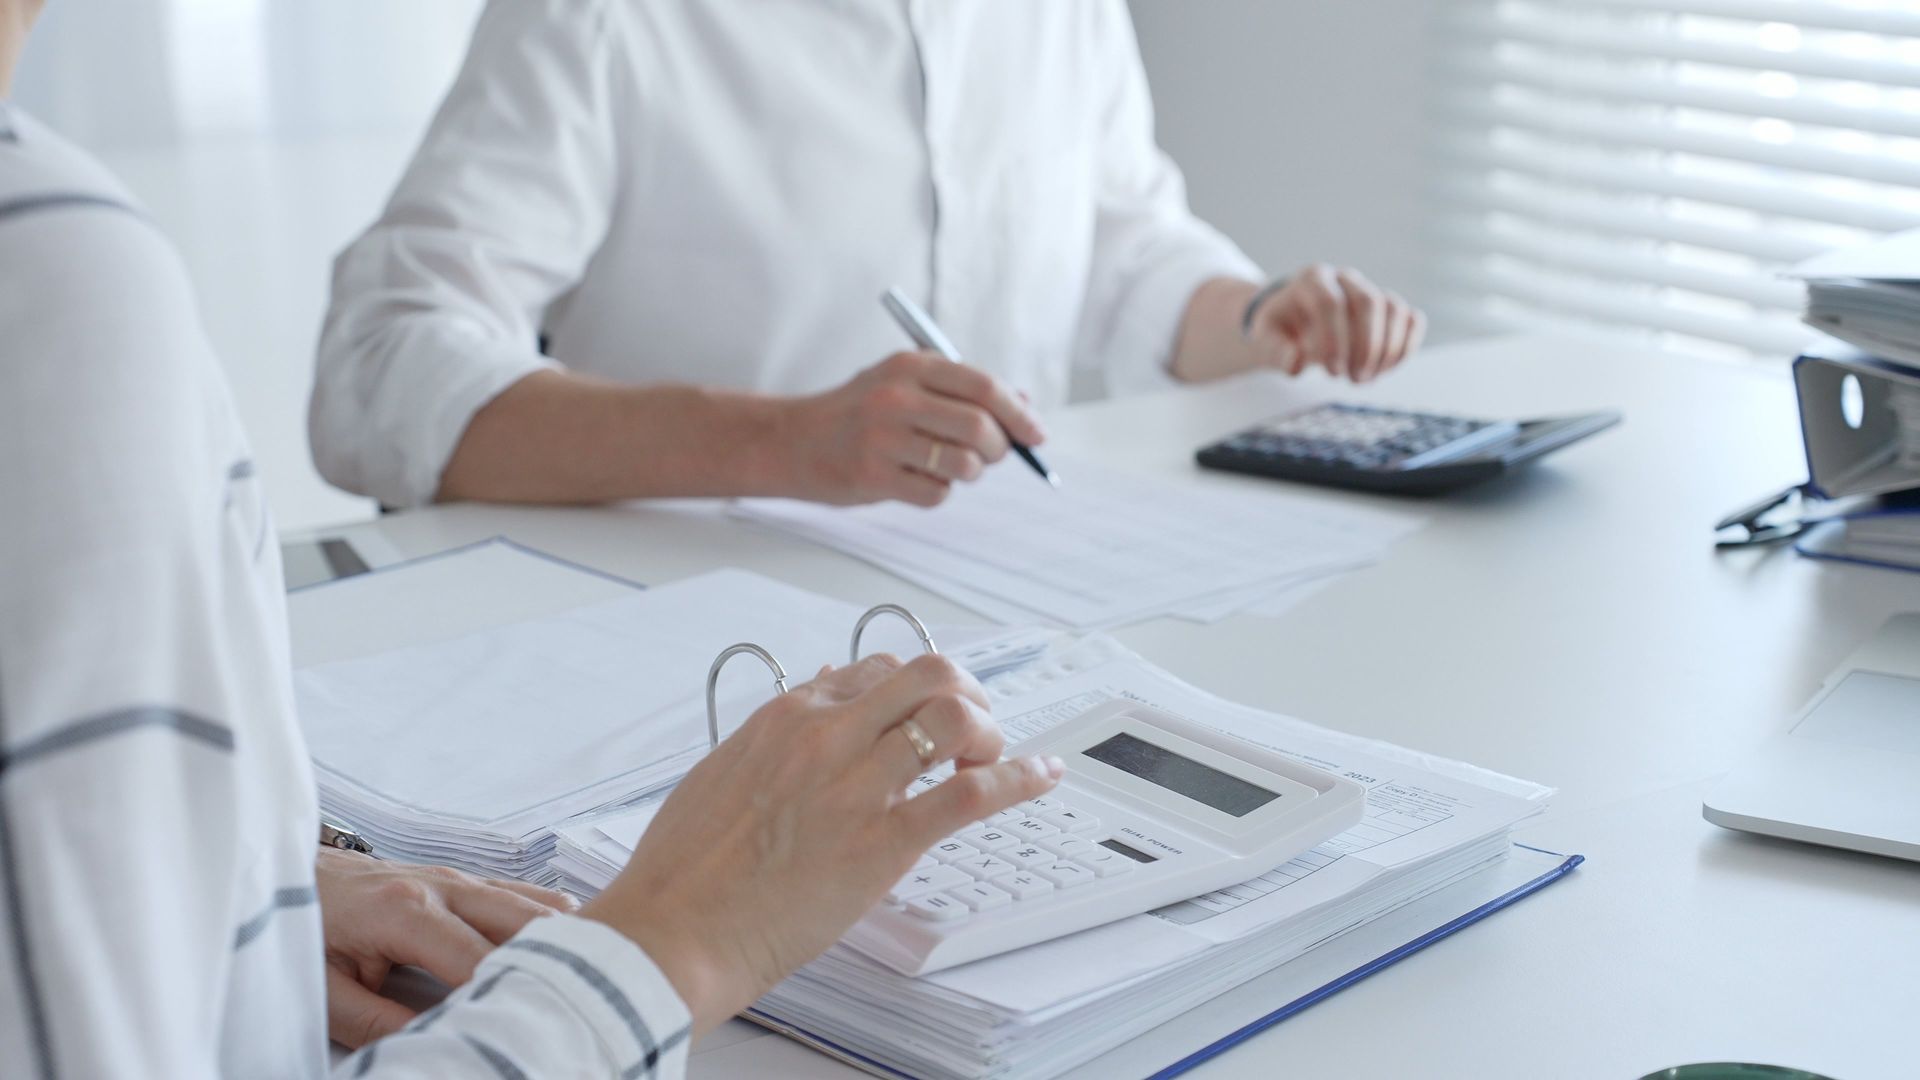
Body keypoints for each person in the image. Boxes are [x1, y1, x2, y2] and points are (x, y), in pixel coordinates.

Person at [0, 4, 1061, 1074]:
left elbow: (1131, 242)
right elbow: (385, 369)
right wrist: (679, 945)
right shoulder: (44, 271)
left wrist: (237, 879)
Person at [312, 0, 1427, 511]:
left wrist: (1259, 315)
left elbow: (1119, 245)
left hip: (999, 623)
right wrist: (787, 443)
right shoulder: (601, 17)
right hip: (684, 642)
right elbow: (379, 370)